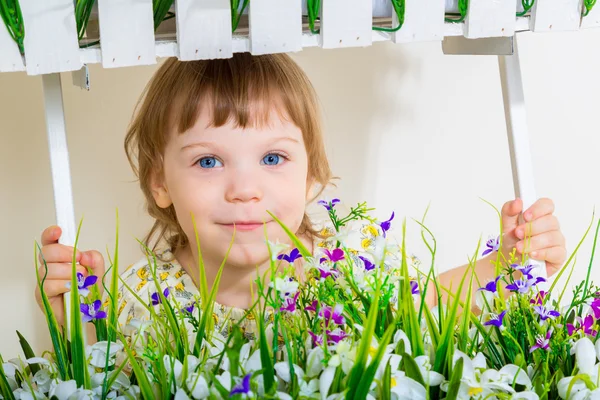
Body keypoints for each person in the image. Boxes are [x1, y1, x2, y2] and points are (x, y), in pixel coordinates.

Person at [34, 53, 566, 343]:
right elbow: (108, 372)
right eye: (207, 161)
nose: (245, 189)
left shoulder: (345, 257)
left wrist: (509, 263)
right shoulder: (145, 298)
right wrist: (75, 326)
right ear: (160, 184)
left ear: (313, 175)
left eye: (272, 159)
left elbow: (430, 303)